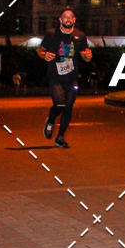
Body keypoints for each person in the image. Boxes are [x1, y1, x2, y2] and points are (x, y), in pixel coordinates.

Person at [37, 8, 92, 148]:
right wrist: (44, 55)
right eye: (65, 17)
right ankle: (50, 120)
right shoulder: (51, 34)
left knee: (68, 107)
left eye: (71, 17)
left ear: (74, 20)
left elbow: (85, 55)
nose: (68, 19)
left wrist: (87, 56)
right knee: (60, 104)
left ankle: (60, 137)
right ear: (60, 20)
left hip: (72, 78)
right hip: (55, 77)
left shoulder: (80, 35)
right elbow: (40, 50)